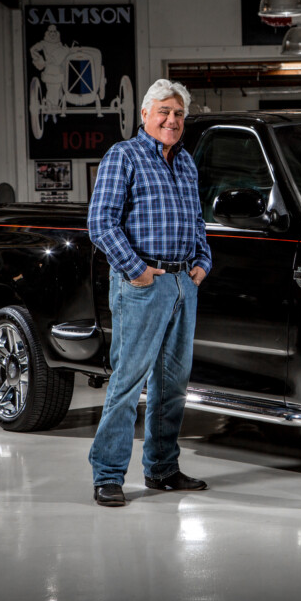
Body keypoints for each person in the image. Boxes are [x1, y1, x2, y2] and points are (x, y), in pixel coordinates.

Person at [87, 79, 211, 507]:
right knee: (126, 383)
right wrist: (137, 270)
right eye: (164, 112)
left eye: (178, 114)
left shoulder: (187, 163)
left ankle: (162, 469)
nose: (171, 120)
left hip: (182, 284)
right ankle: (107, 474)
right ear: (144, 114)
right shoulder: (123, 156)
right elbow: (100, 222)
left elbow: (197, 223)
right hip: (144, 285)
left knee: (173, 385)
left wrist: (202, 262)